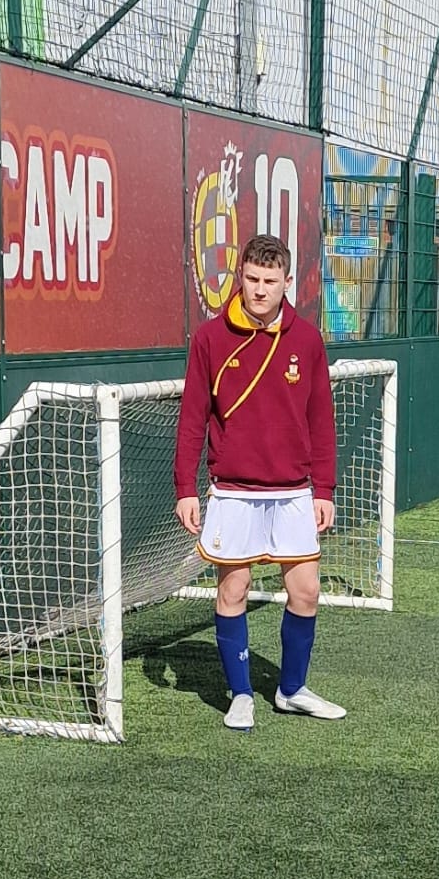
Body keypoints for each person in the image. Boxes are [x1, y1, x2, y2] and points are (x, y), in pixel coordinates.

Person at [175, 233, 345, 730]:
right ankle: (241, 693)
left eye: (270, 281)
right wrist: (185, 488)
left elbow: (321, 419)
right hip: (234, 491)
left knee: (306, 590)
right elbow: (192, 419)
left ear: (286, 282)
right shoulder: (210, 338)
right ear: (240, 277)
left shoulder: (306, 340)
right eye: (252, 279)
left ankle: (291, 689)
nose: (260, 289)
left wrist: (324, 489)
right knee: (234, 589)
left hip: (293, 491)